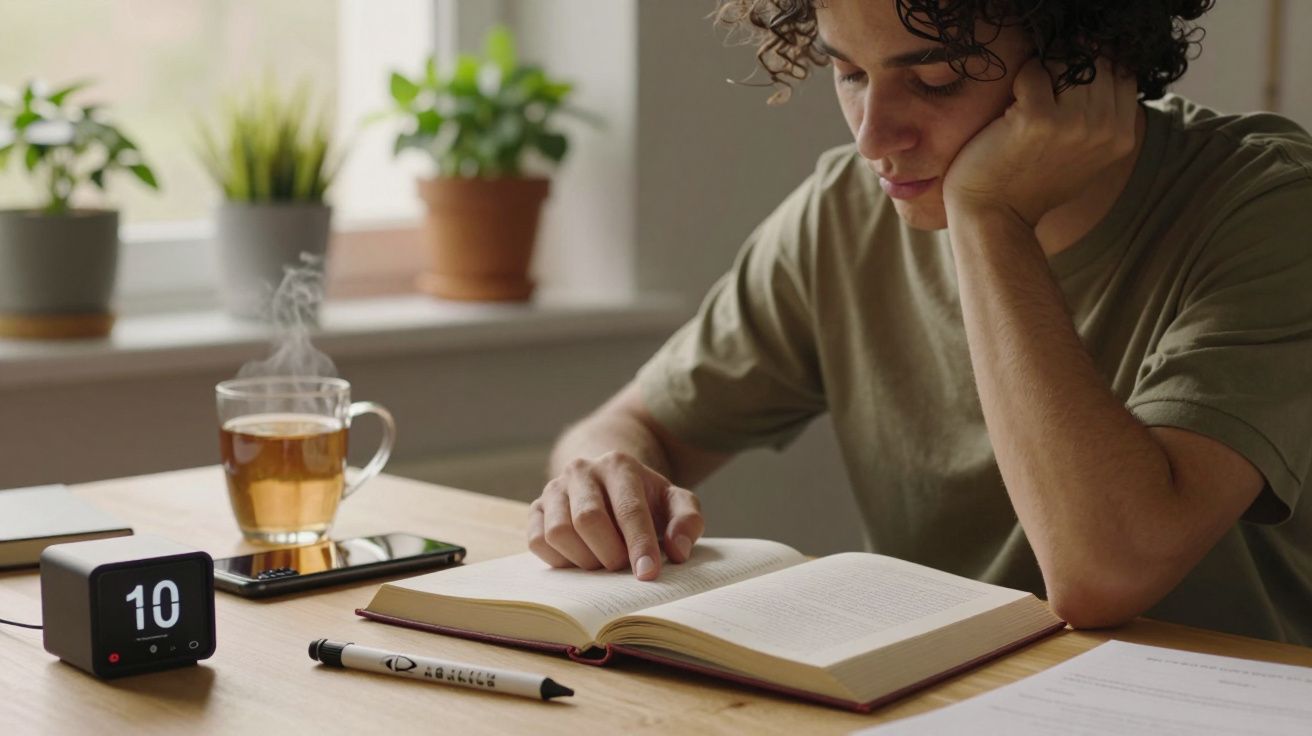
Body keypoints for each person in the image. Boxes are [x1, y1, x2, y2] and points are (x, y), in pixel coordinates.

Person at [527, 0, 1312, 645]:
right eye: (848, 72)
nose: (872, 138)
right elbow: (620, 430)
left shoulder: (1271, 209)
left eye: (935, 81)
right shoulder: (841, 214)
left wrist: (989, 213)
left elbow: (1103, 574)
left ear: (1087, 60)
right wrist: (603, 478)